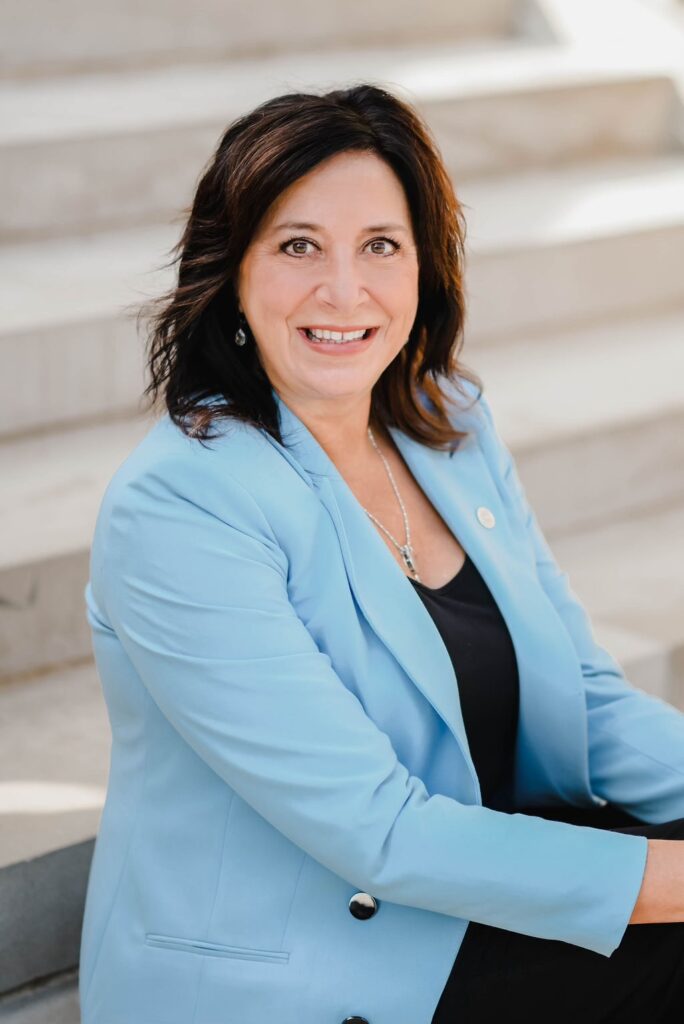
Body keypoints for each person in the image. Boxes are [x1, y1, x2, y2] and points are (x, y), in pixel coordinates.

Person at [78, 83, 684, 1024]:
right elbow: (378, 830)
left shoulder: (451, 427)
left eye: (380, 247)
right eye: (297, 246)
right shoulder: (181, 506)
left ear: (424, 269)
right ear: (232, 271)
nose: (344, 291)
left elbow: (588, 698)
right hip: (306, 964)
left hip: (462, 888)